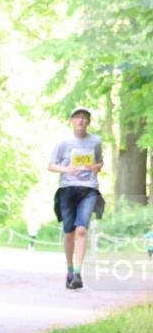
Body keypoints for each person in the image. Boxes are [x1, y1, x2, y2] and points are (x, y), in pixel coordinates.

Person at [49, 106, 105, 289]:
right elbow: (51, 165)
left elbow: (100, 162)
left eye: (84, 117)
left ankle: (78, 275)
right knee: (69, 233)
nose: (80, 120)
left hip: (89, 189)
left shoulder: (95, 140)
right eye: (77, 117)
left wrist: (96, 167)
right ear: (71, 121)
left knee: (81, 229)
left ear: (88, 121)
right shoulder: (63, 142)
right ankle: (70, 270)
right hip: (67, 189)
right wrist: (66, 169)